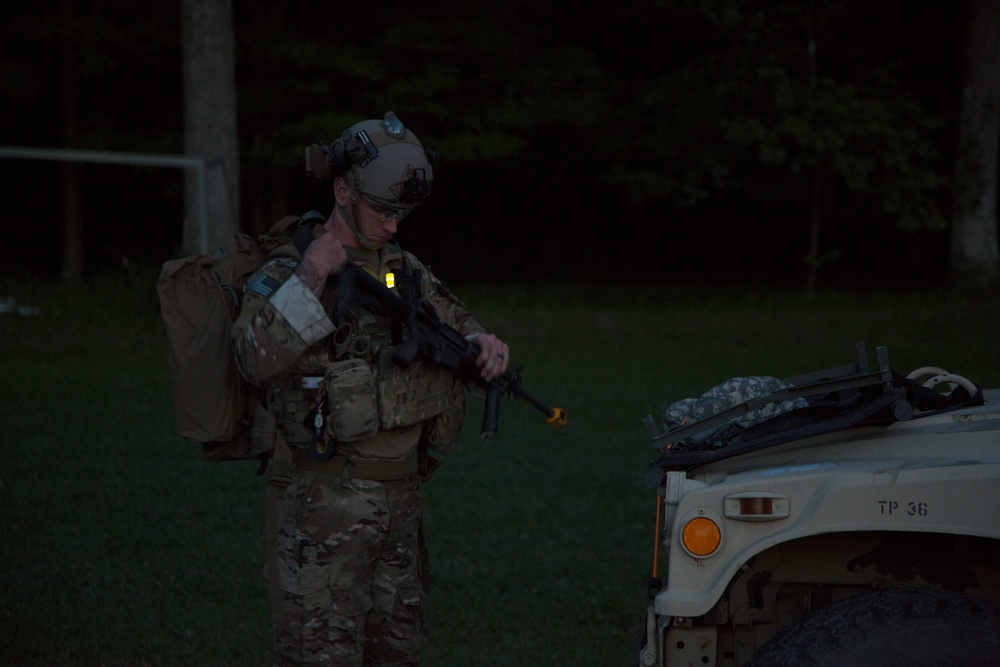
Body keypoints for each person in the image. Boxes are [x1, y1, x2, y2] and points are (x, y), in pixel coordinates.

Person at [231, 112, 510, 666]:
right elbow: (248, 358)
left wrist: (483, 340)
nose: (394, 225)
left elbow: (454, 317)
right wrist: (312, 277)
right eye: (383, 211)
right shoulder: (292, 266)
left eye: (401, 214)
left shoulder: (401, 268)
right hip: (327, 507)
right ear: (342, 191)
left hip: (400, 508)